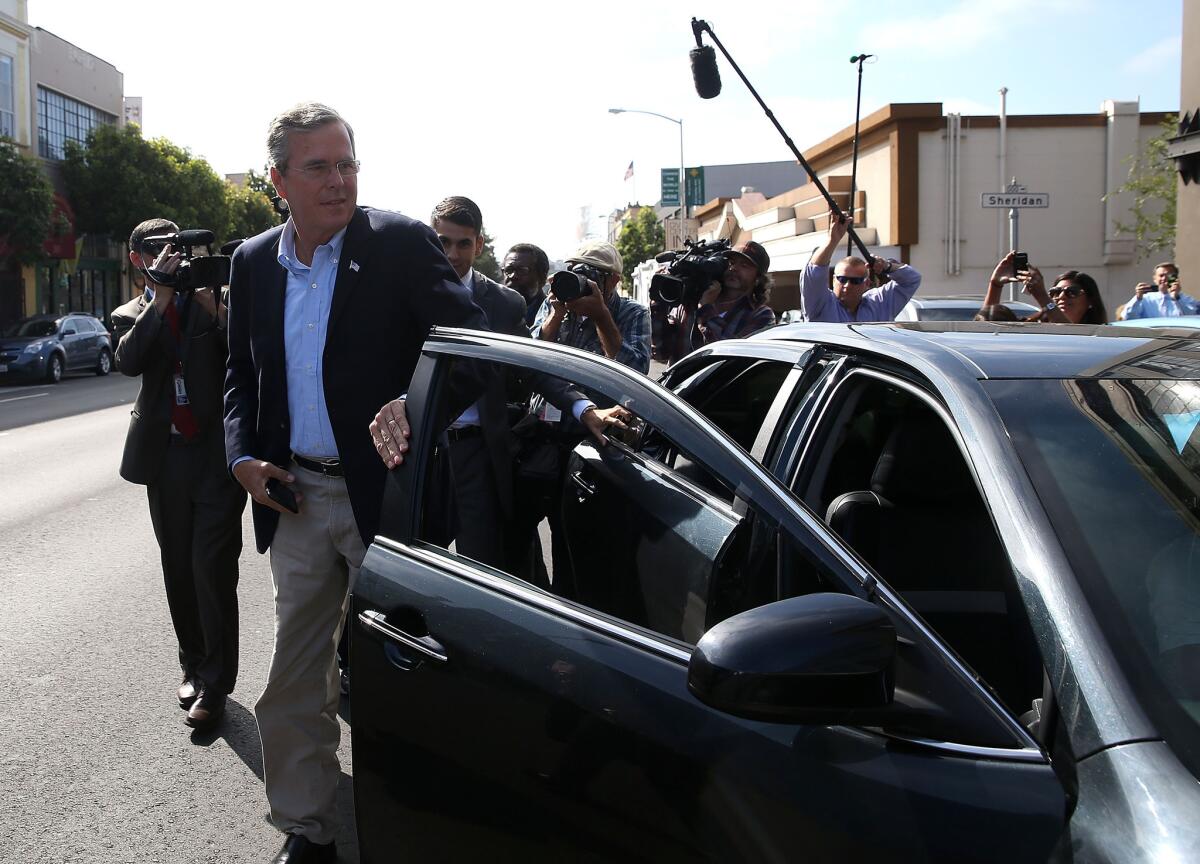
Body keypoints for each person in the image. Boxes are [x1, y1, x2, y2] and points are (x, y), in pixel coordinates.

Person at [223, 103, 490, 864]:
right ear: (279, 180)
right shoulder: (251, 264)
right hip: (296, 500)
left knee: (403, 678)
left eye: (347, 163)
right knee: (294, 682)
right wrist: (242, 459)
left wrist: (416, 399)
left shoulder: (401, 244)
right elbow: (242, 380)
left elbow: (473, 352)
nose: (339, 181)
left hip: (391, 502)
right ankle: (309, 829)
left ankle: (418, 826)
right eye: (319, 167)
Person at [111, 218, 246, 733]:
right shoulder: (131, 313)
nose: (165, 257)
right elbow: (129, 361)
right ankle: (192, 665)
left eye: (173, 248)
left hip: (214, 457)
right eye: (153, 251)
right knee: (178, 569)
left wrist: (214, 304)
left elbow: (249, 354)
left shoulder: (211, 299)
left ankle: (216, 683)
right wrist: (160, 299)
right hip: (164, 459)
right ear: (135, 260)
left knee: (211, 566)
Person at [426, 196, 612, 568]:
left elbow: (534, 367)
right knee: (412, 567)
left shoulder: (502, 303)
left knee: (480, 570)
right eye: (443, 241)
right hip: (421, 451)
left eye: (464, 243)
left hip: (478, 455)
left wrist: (583, 407)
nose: (453, 253)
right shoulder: (406, 293)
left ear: (479, 244)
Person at [511, 241, 649, 583]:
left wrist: (601, 315)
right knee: (515, 535)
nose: (579, 280)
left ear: (613, 280)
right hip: (542, 436)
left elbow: (633, 370)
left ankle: (569, 606)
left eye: (591, 274)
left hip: (592, 442)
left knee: (576, 543)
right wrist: (557, 313)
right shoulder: (555, 303)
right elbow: (529, 357)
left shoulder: (632, 313)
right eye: (574, 270)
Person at [658, 240, 777, 363]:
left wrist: (705, 309)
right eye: (731, 262)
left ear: (758, 278)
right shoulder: (691, 301)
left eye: (744, 265)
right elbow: (660, 353)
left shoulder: (762, 315)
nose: (734, 268)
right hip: (680, 382)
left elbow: (730, 357)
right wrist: (659, 304)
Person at [800, 212, 921, 323]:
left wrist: (887, 266)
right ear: (833, 280)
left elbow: (911, 279)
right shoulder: (820, 304)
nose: (847, 285)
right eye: (842, 279)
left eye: (855, 281)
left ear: (867, 283)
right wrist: (832, 240)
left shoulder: (879, 303)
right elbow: (814, 272)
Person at [980, 252, 1107, 324]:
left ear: (1090, 301)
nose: (1061, 297)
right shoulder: (1032, 325)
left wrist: (1042, 296)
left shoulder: (1101, 335)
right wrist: (995, 285)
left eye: (1072, 292)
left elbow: (1069, 333)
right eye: (1055, 292)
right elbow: (985, 326)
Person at [501, 243, 550, 329]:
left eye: (522, 270)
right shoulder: (489, 308)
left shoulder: (551, 315)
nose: (513, 276)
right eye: (509, 270)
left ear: (542, 276)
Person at [1123, 262, 1196, 319]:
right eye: (1161, 275)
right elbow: (1128, 317)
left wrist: (1176, 298)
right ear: (1155, 279)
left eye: (1168, 275)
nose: (1164, 279)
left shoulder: (1186, 300)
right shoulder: (1145, 299)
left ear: (1175, 278)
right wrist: (1138, 298)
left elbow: (1192, 318)